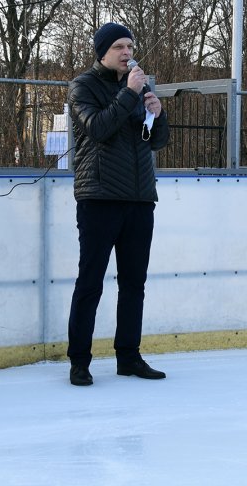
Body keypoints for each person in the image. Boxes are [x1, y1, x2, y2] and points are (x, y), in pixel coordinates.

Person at [66, 22, 170, 386]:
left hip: (140, 199)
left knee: (133, 284)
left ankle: (129, 356)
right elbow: (97, 128)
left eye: (130, 45)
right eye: (120, 47)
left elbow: (153, 142)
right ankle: (79, 360)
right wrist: (130, 95)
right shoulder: (83, 86)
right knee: (91, 282)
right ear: (103, 52)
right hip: (99, 198)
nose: (128, 52)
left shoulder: (140, 87)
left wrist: (157, 115)